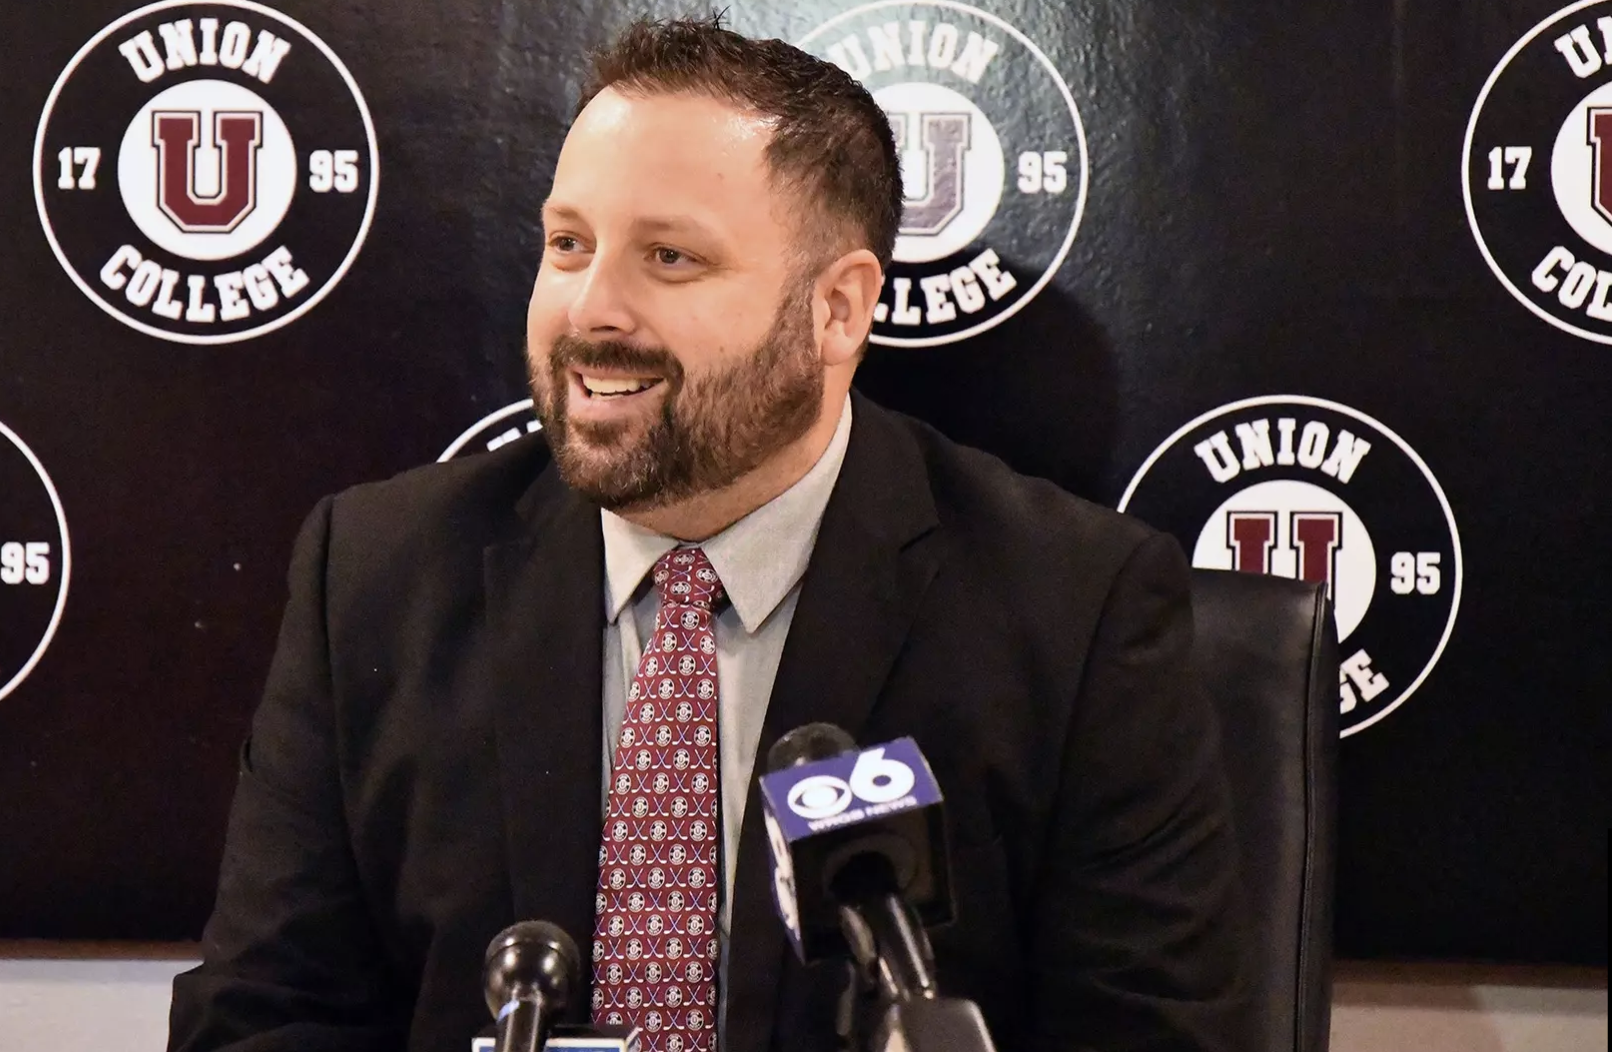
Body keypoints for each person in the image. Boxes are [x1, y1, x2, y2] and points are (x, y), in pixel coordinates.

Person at [168, 16, 1251, 1052]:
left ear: (837, 308)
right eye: (567, 244)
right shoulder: (374, 575)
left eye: (670, 258)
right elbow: (265, 1010)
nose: (592, 308)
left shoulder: (1071, 611)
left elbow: (1149, 1029)